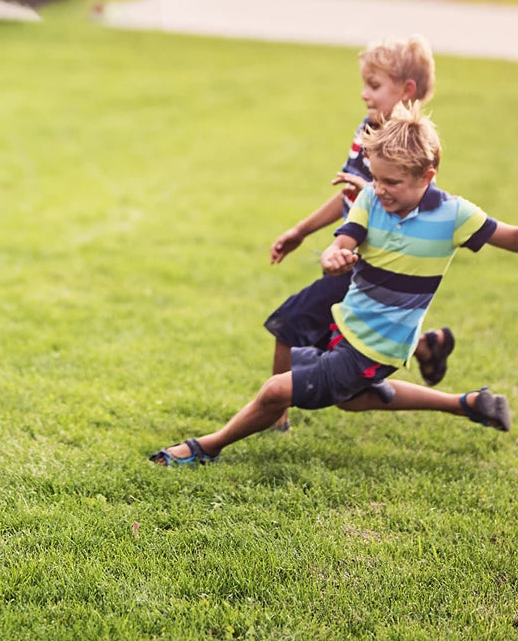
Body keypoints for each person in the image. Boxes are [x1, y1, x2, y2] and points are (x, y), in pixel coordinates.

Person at [150, 102, 514, 467]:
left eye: (392, 182)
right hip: (348, 326)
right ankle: (468, 404)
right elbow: (342, 242)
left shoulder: (455, 215)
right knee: (351, 398)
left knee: (276, 389)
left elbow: (510, 237)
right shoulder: (371, 198)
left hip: (379, 345)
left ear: (426, 176)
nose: (380, 190)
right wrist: (332, 258)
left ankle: (206, 447)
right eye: (376, 178)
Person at [264, 35, 451, 432]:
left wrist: (368, 194)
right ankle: (424, 346)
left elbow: (405, 211)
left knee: (288, 325)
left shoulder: (409, 152)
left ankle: (274, 415)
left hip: (366, 268)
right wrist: (302, 230)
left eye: (375, 85)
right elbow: (349, 194)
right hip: (348, 260)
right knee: (336, 341)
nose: (364, 93)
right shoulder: (367, 131)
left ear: (407, 90)